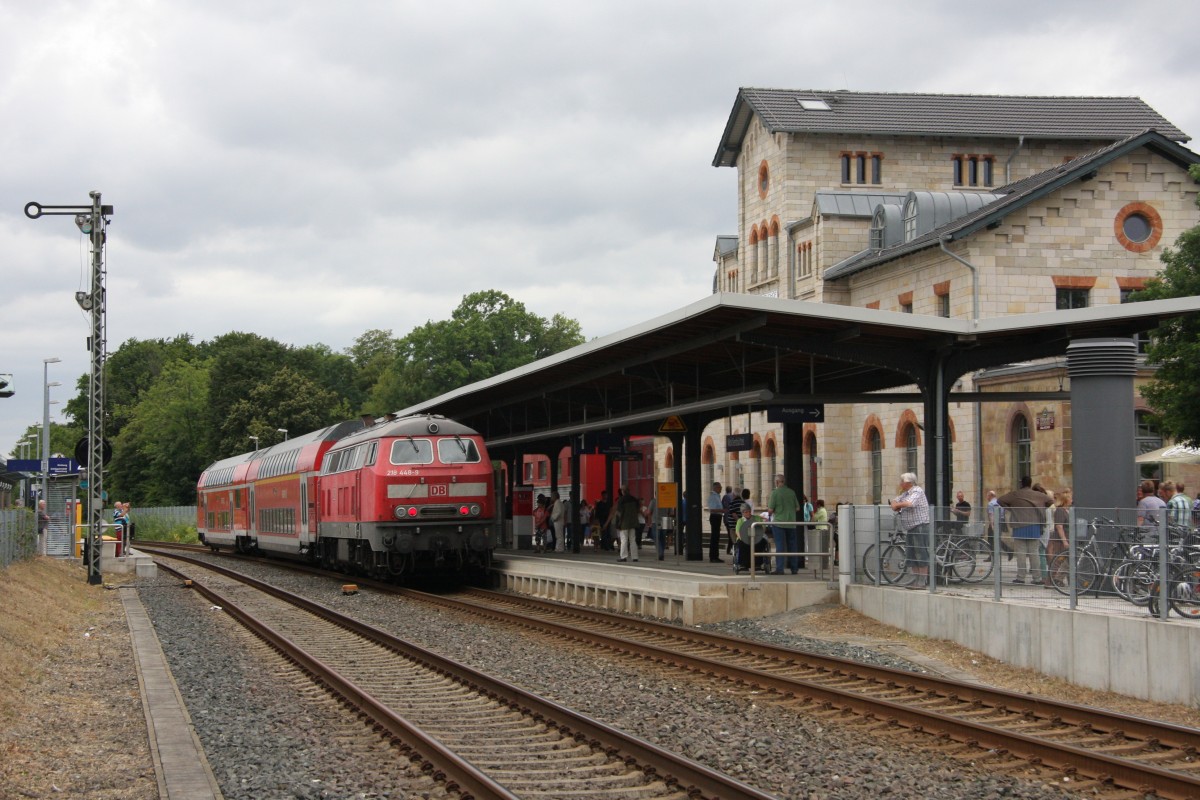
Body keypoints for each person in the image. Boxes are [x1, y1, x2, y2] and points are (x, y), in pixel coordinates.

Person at [998, 476, 1053, 585]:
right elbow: (1050, 500)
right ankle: (1037, 578)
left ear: (1021, 483)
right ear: (1030, 483)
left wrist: (1011, 508)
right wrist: (1041, 508)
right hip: (1034, 526)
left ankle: (1021, 577)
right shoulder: (1038, 495)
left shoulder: (1015, 494)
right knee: (1034, 553)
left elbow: (1000, 500)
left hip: (1019, 526)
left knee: (1021, 553)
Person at [890, 473, 931, 588]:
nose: (900, 483)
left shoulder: (917, 491)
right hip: (911, 528)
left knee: (921, 554)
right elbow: (894, 501)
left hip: (920, 526)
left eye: (902, 481)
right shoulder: (906, 493)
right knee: (911, 555)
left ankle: (922, 582)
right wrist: (896, 504)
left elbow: (910, 503)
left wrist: (898, 505)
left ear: (908, 482)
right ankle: (916, 580)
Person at [766, 474, 800, 575]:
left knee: (780, 545)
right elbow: (797, 508)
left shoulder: (775, 493)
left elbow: (770, 510)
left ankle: (780, 569)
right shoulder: (791, 492)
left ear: (777, 482)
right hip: (791, 522)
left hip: (779, 522)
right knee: (792, 545)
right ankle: (794, 568)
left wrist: (775, 511)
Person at [606, 486, 641, 563]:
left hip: (624, 523)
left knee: (624, 540)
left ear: (623, 491)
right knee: (632, 540)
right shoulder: (634, 499)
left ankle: (623, 556)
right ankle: (635, 557)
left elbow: (619, 513)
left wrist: (618, 523)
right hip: (633, 522)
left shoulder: (621, 500)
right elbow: (638, 510)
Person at [733, 504, 770, 574]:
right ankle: (744, 564)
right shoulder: (740, 521)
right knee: (742, 544)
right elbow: (737, 531)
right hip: (744, 538)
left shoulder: (757, 518)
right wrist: (742, 538)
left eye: (749, 511)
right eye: (746, 512)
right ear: (742, 513)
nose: (748, 513)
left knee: (761, 543)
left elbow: (763, 528)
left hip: (757, 537)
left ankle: (758, 563)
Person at [1049, 488, 1073, 586]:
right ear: (1066, 500)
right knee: (1059, 560)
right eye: (1070, 498)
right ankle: (1051, 581)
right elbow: (1059, 526)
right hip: (1060, 540)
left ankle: (1058, 579)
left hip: (1068, 538)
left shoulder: (1068, 511)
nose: (1072, 500)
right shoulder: (1060, 511)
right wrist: (1064, 541)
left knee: (1068, 560)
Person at [706, 482, 724, 563]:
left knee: (716, 537)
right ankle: (713, 556)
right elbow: (712, 509)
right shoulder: (713, 497)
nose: (721, 489)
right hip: (715, 517)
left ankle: (715, 556)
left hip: (718, 517)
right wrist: (723, 510)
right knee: (714, 537)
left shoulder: (717, 496)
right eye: (720, 487)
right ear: (716, 488)